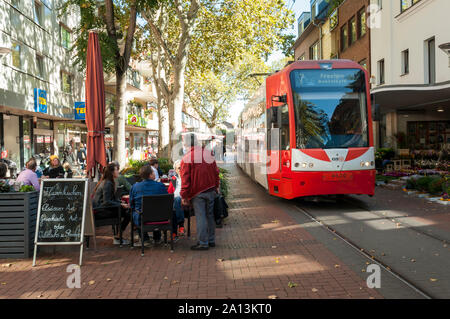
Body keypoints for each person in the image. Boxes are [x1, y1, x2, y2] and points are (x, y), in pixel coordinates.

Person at [180, 133, 220, 251]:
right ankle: (211, 240)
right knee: (210, 215)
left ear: (186, 143)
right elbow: (216, 172)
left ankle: (203, 242)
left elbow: (185, 179)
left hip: (198, 192)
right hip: (210, 189)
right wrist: (216, 186)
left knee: (201, 216)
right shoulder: (208, 153)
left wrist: (184, 195)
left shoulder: (188, 157)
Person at [92, 163, 131, 245]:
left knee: (127, 210)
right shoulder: (108, 184)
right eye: (117, 170)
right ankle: (118, 237)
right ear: (112, 172)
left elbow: (109, 200)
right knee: (129, 213)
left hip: (101, 209)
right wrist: (120, 205)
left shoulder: (108, 182)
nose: (118, 172)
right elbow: (107, 202)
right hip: (100, 212)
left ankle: (119, 235)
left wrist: (120, 203)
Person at [130, 165, 168, 246]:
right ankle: (157, 238)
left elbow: (131, 204)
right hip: (160, 217)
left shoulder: (135, 187)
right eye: (153, 172)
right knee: (156, 209)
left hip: (142, 217)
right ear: (150, 175)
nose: (155, 174)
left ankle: (145, 239)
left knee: (136, 211)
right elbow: (166, 202)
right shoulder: (160, 185)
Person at [167, 160, 185, 241]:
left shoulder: (188, 178)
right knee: (175, 204)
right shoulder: (173, 179)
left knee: (176, 202)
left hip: (185, 200)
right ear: (175, 170)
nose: (181, 169)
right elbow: (170, 192)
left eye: (182, 167)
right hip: (175, 201)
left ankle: (174, 232)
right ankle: (181, 226)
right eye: (179, 168)